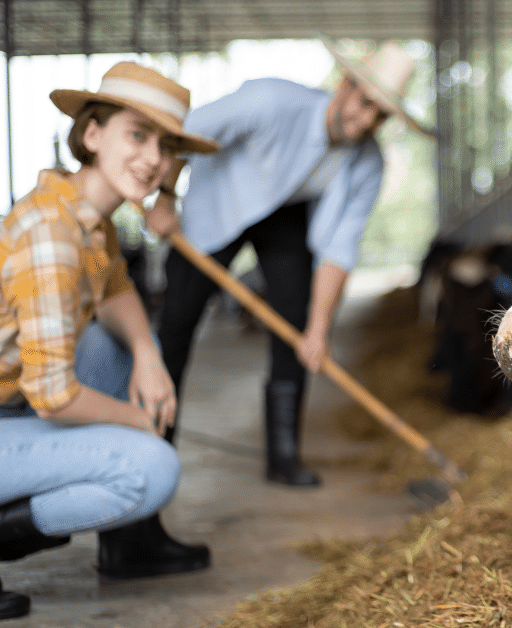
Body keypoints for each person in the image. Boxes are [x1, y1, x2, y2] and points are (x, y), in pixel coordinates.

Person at [0, 62, 220, 621]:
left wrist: (148, 357)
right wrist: (137, 421)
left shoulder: (88, 217)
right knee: (152, 468)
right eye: (138, 135)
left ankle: (128, 544)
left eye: (166, 146)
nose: (153, 159)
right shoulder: (51, 233)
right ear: (92, 134)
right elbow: (53, 396)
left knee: (115, 343)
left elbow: (115, 286)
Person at [145, 38, 432, 490]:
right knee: (177, 325)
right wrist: (164, 197)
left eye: (380, 114)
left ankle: (283, 455)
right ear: (345, 85)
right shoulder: (270, 102)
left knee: (296, 324)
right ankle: (154, 449)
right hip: (217, 203)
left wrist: (318, 333)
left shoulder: (368, 163)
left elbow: (340, 249)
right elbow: (182, 132)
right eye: (364, 103)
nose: (365, 120)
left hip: (285, 216)